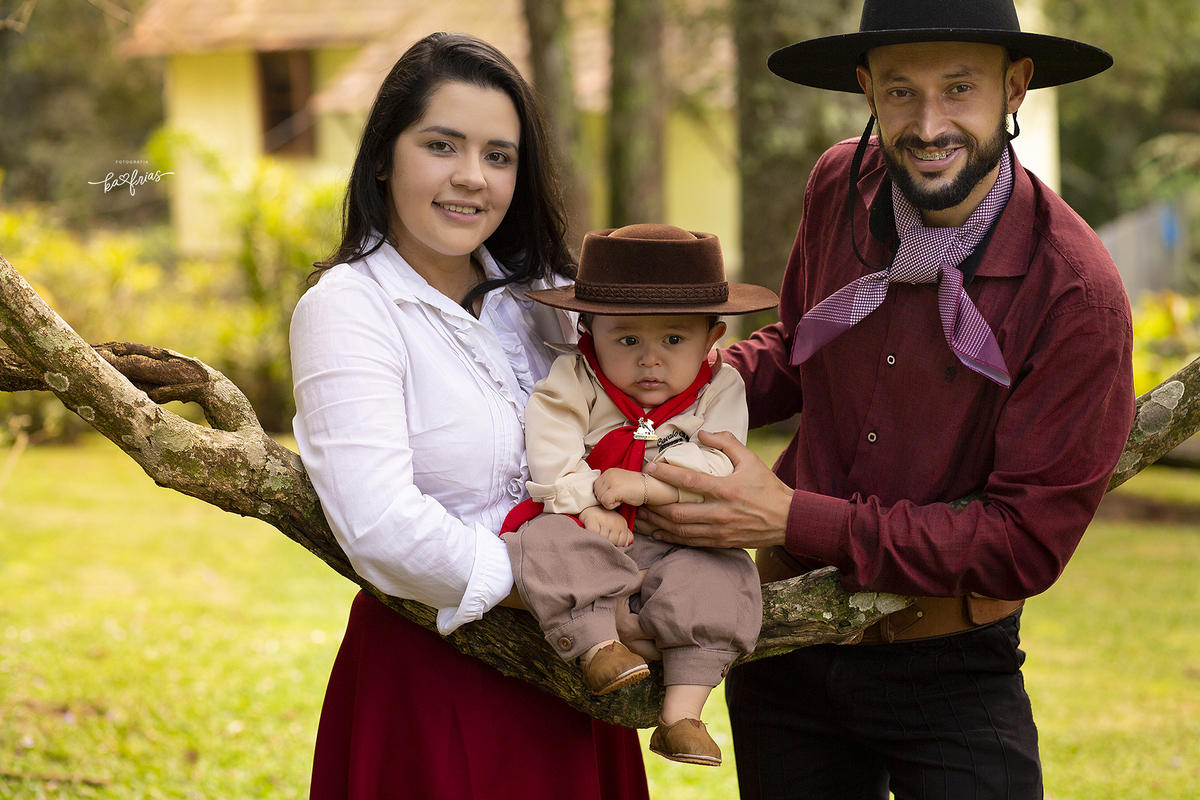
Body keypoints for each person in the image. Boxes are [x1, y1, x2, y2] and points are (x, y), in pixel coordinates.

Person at [637, 1, 1137, 798]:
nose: (929, 123)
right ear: (867, 88)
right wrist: (678, 386)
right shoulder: (839, 182)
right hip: (784, 641)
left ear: (1015, 88)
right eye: (902, 91)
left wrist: (791, 516)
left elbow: (1024, 543)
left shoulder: (1077, 292)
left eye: (960, 89)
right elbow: (800, 349)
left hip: (948, 666)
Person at [289, 32, 649, 800]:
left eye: (498, 155)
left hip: (582, 672)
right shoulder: (350, 309)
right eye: (442, 145)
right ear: (383, 155)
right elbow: (380, 525)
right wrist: (553, 585)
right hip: (435, 673)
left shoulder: (545, 298)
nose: (470, 179)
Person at [500, 223, 778, 767]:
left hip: (680, 539)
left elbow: (720, 463)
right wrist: (584, 499)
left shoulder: (721, 388)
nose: (650, 360)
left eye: (674, 340)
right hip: (591, 527)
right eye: (626, 340)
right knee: (543, 543)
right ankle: (598, 646)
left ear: (712, 336)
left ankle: (683, 713)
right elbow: (551, 442)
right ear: (590, 331)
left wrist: (647, 486)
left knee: (724, 576)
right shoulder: (575, 377)